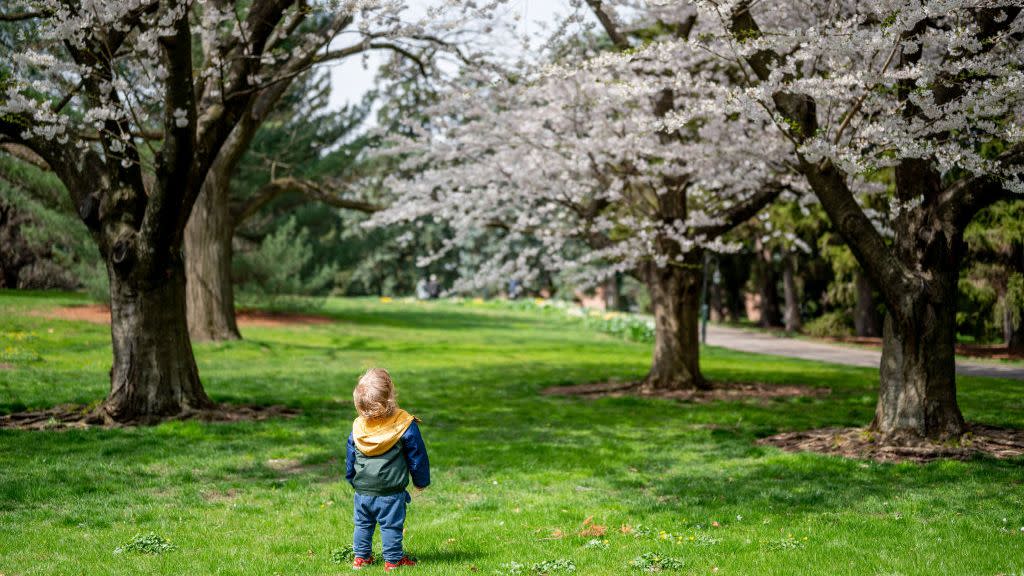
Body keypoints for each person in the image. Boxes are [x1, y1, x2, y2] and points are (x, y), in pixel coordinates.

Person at [345, 368, 430, 571]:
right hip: (391, 491)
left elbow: (350, 457)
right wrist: (421, 481)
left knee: (363, 524)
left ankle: (361, 558)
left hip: (363, 489)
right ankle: (393, 560)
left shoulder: (359, 427)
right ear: (391, 395)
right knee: (391, 524)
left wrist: (351, 478)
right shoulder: (404, 424)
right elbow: (417, 456)